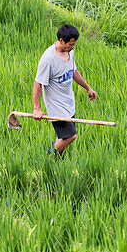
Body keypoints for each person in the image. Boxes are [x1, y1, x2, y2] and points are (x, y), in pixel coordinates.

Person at [32, 24, 97, 156]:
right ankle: (50, 156)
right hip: (56, 106)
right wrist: (36, 108)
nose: (73, 47)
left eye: (74, 44)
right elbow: (37, 83)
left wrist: (87, 88)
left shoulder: (69, 52)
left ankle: (58, 159)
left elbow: (73, 72)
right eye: (70, 44)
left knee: (62, 137)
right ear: (61, 40)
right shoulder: (48, 59)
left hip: (68, 102)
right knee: (70, 136)